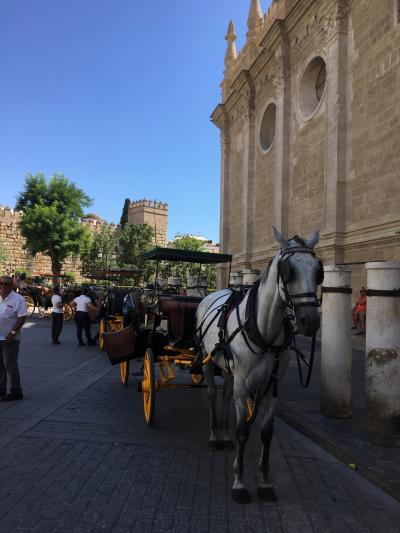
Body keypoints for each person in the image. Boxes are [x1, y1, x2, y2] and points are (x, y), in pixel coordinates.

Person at [0, 275, 28, 401]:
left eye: (6, 284)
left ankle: (16, 391)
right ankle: (1, 390)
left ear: (12, 285)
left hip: (10, 338)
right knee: (0, 366)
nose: (3, 286)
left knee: (10, 364)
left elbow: (22, 317)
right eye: (1, 283)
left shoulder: (18, 299)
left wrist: (12, 332)